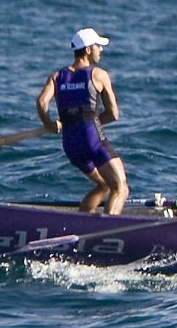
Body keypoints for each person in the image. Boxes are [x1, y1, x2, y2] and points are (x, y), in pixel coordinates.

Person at [36, 28, 128, 214]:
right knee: (120, 187)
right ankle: (106, 232)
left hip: (70, 144)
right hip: (92, 140)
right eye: (98, 47)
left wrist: (49, 124)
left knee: (103, 186)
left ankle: (81, 223)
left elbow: (41, 102)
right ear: (87, 50)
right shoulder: (99, 75)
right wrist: (94, 120)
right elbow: (113, 114)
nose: (101, 50)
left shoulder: (57, 77)